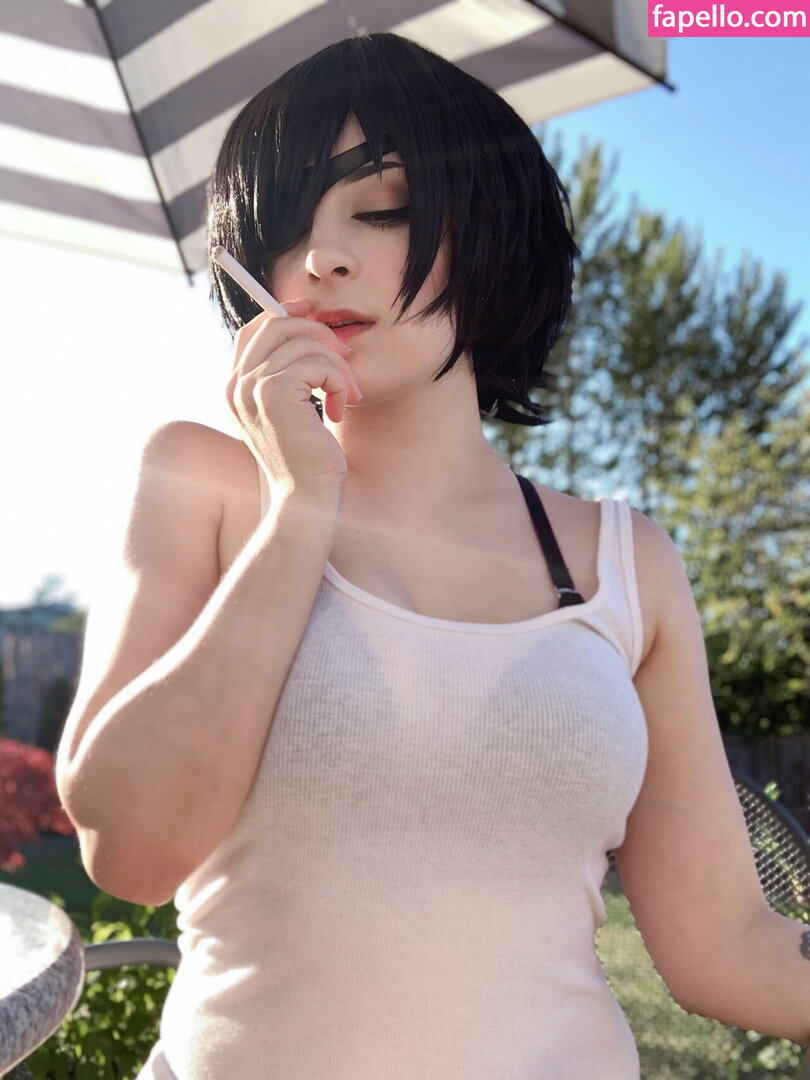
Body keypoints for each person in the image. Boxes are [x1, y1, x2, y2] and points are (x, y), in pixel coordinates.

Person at [55, 31, 809, 1080]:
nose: (321, 257)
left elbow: (725, 945)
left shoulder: (623, 560)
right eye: (283, 228)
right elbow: (131, 850)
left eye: (384, 207)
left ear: (493, 226)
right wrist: (299, 508)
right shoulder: (204, 483)